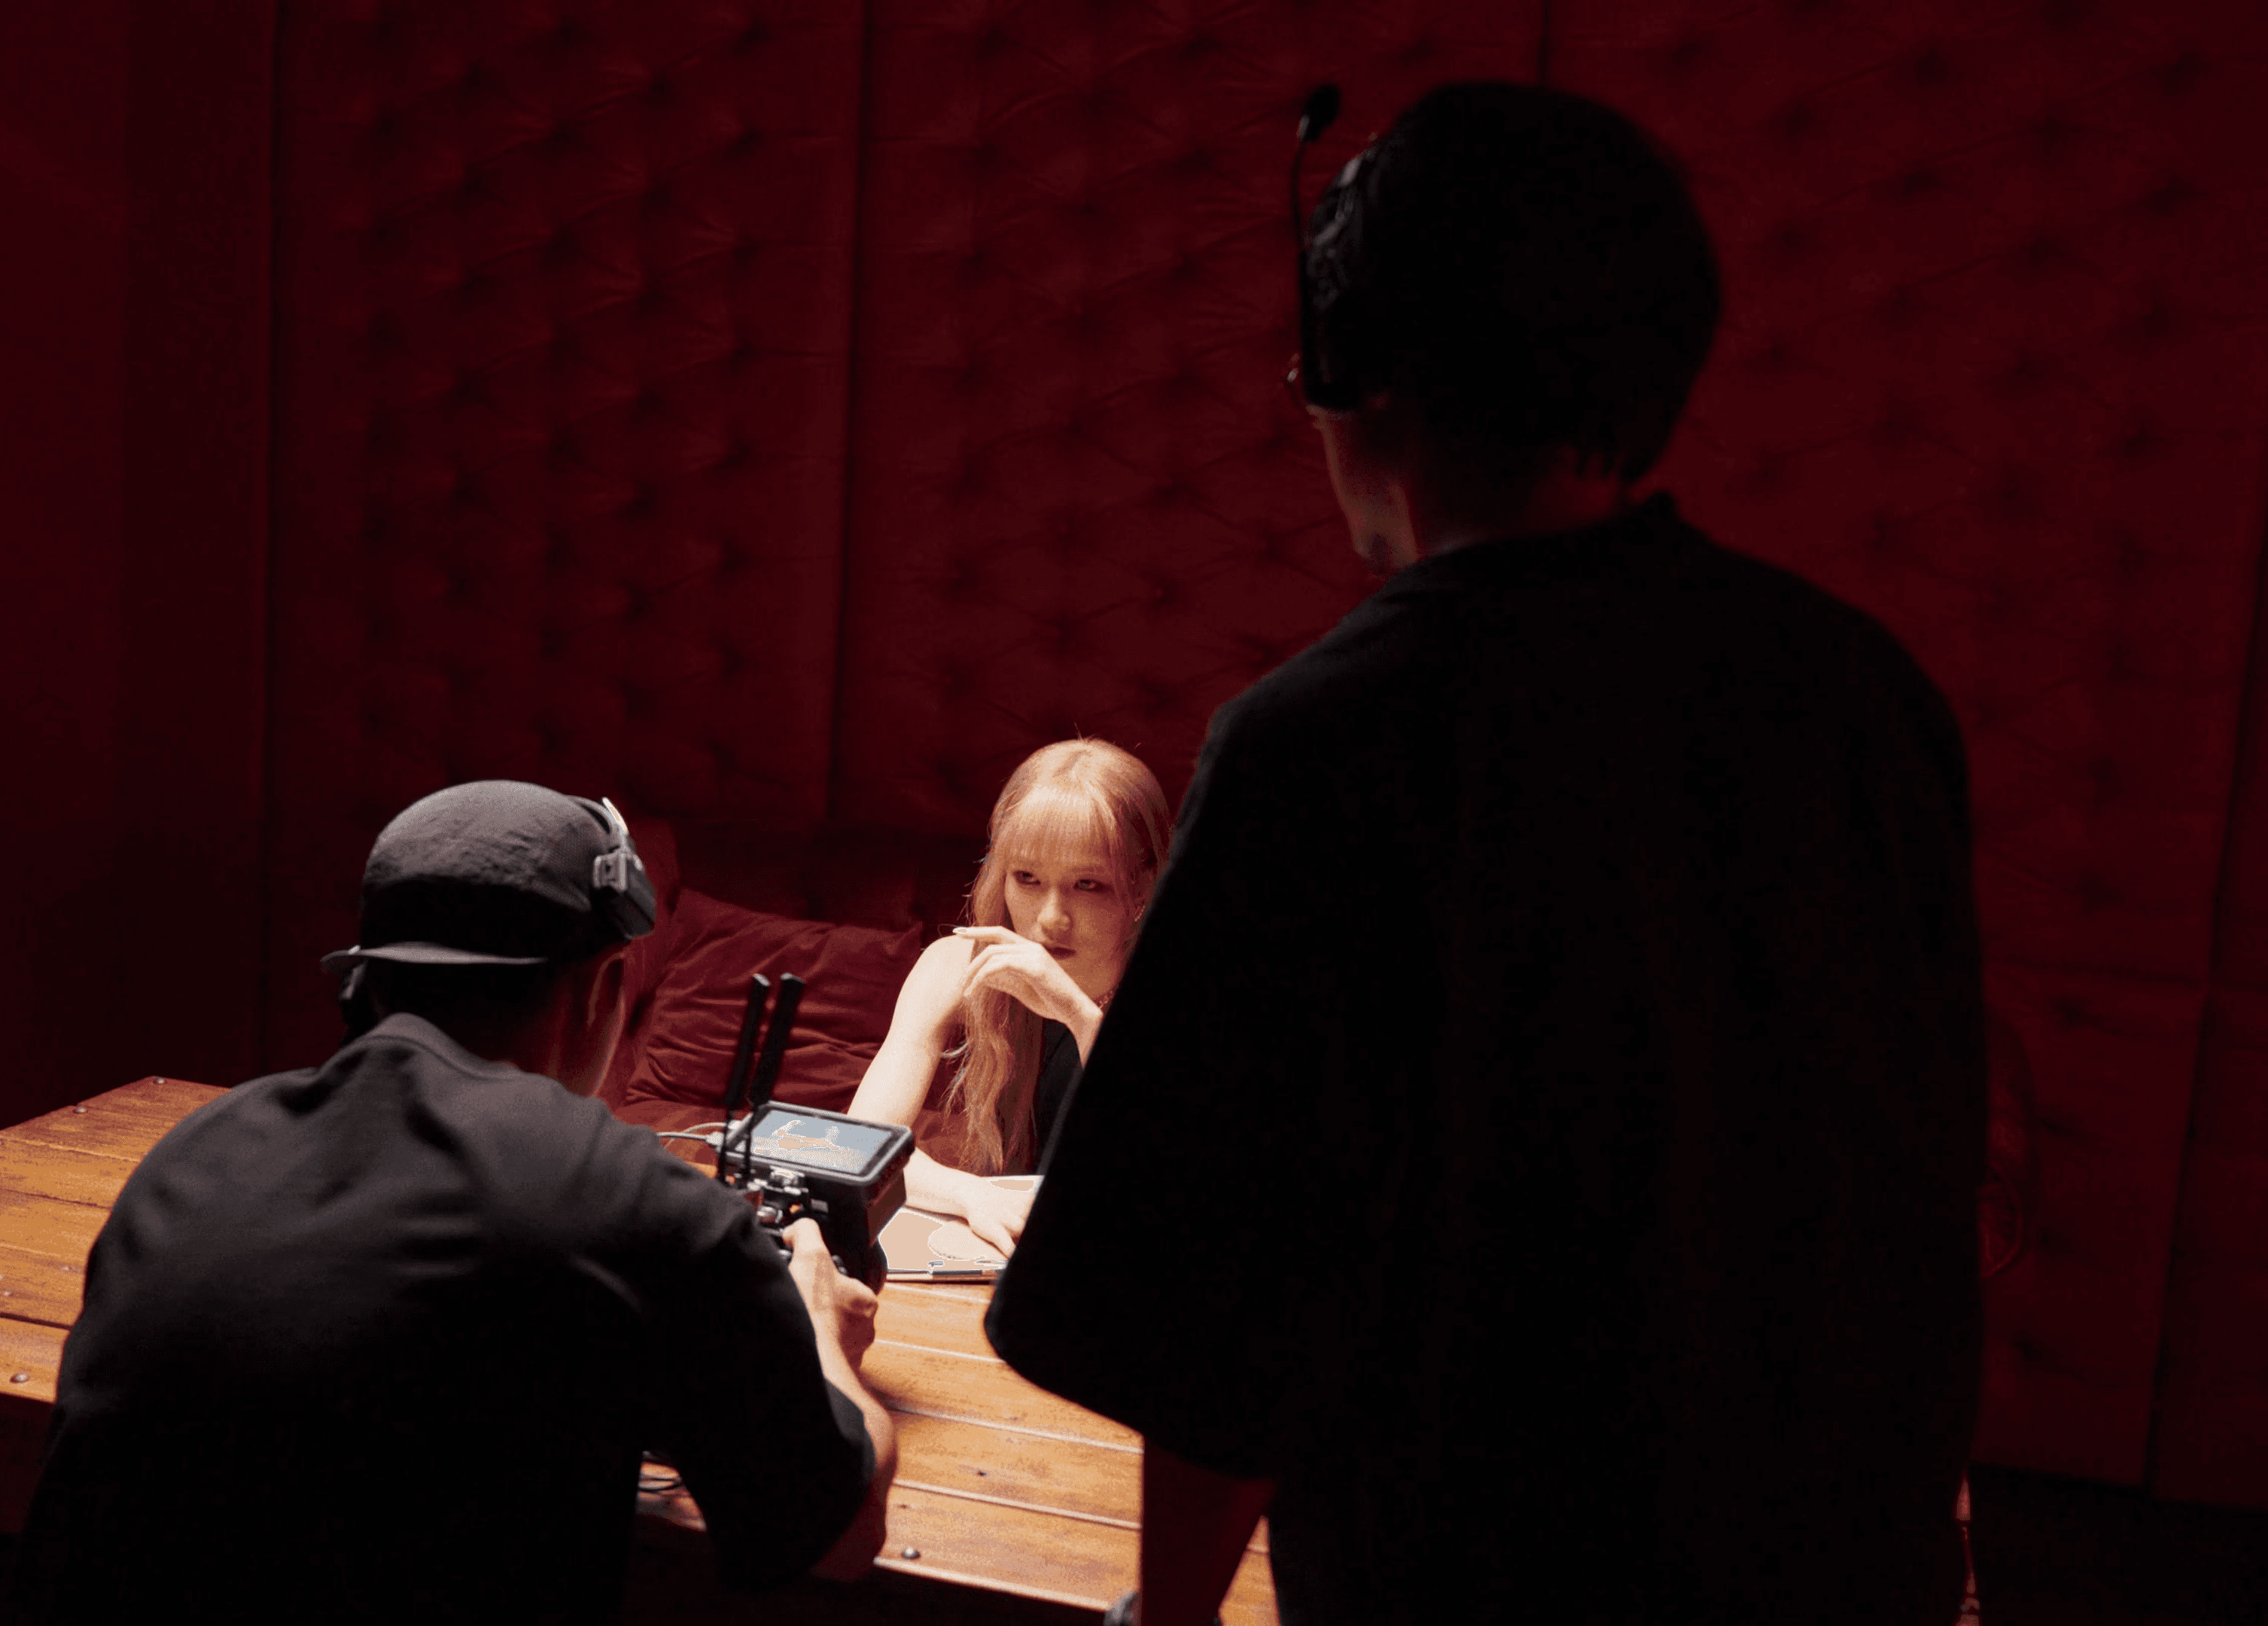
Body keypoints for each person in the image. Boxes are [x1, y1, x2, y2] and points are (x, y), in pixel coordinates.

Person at [986, 82, 1986, 1626]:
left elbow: (1226, 1299)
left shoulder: (1321, 746)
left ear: (1347, 381)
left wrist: (1169, 1613)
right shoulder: (1865, 696)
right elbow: (1925, 1205)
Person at [9, 781, 897, 1624]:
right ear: (603, 988)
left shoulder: (197, 1144)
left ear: (370, 976)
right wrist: (820, 1331)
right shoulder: (625, 1194)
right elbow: (837, 1539)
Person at [848, 739, 1171, 1255]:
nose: (1050, 918)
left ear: (1145, 883)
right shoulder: (956, 964)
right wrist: (970, 1194)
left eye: (1088, 884)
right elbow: (861, 1143)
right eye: (1027, 879)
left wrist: (1076, 1014)